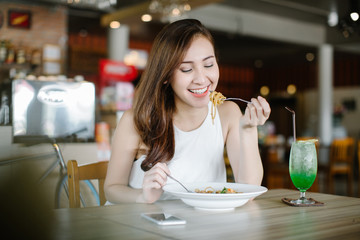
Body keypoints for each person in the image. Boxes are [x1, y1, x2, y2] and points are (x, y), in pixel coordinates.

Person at [104, 19, 271, 204]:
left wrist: (247, 130)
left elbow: (250, 189)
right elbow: (112, 189)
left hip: (201, 227)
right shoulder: (137, 119)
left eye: (208, 65)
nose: (201, 79)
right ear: (166, 75)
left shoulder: (228, 113)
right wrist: (142, 197)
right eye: (186, 69)